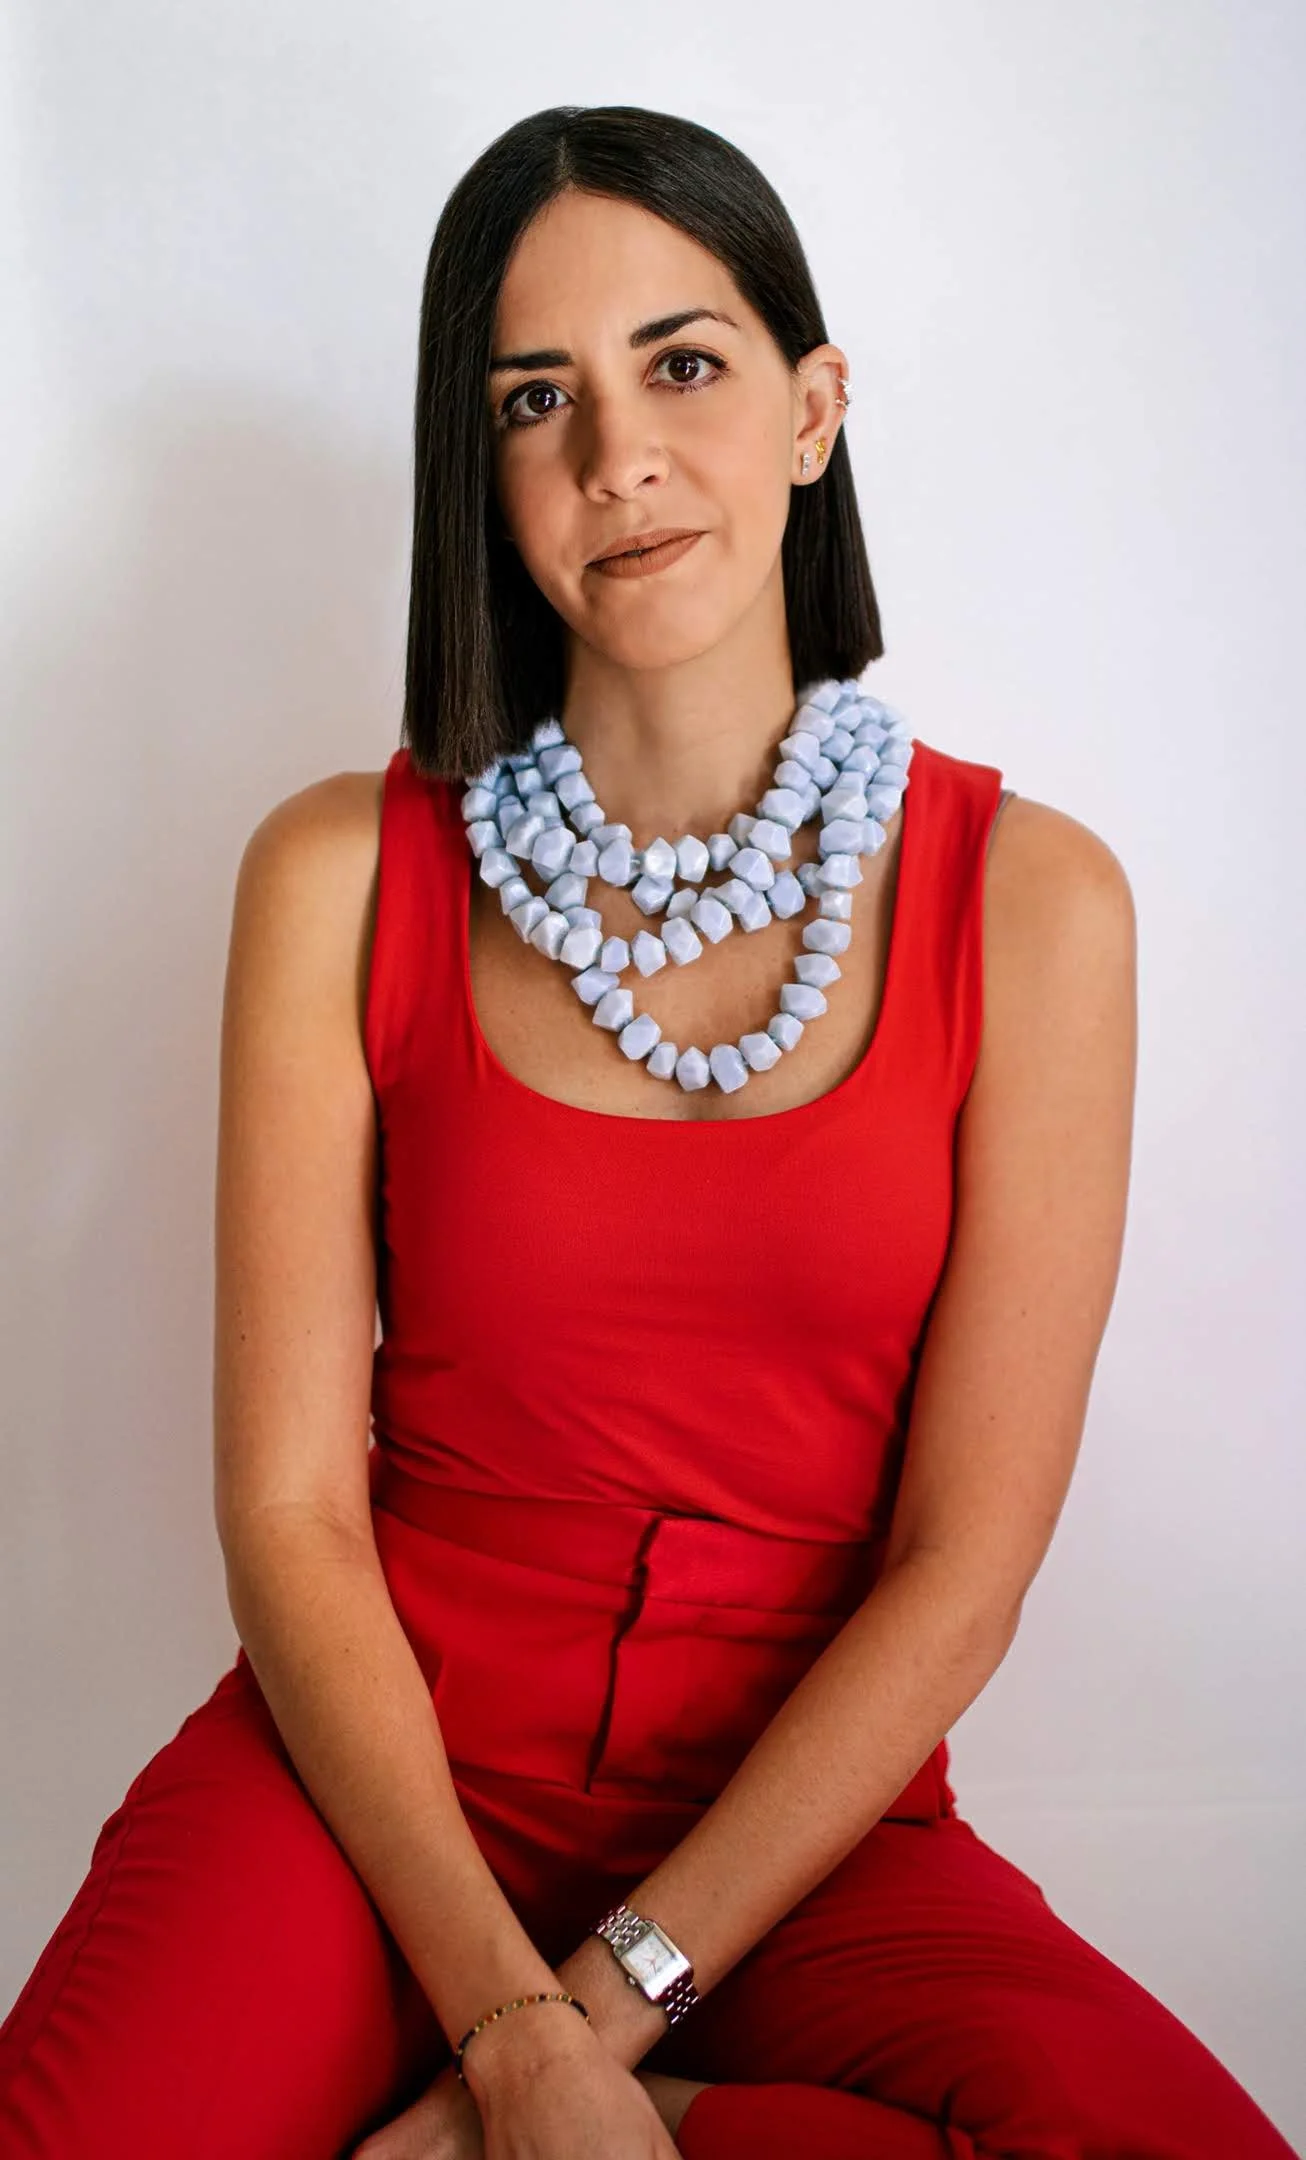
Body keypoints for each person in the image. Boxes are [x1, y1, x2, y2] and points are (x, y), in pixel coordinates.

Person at [0, 101, 1296, 2160]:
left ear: (812, 408)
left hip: (800, 1832)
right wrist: (505, 2025)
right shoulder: (338, 874)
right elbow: (290, 1517)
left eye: (680, 362)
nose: (616, 453)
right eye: (537, 399)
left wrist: (580, 2046)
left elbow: (961, 1568)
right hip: (374, 1796)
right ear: (483, 474)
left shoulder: (1033, 905)